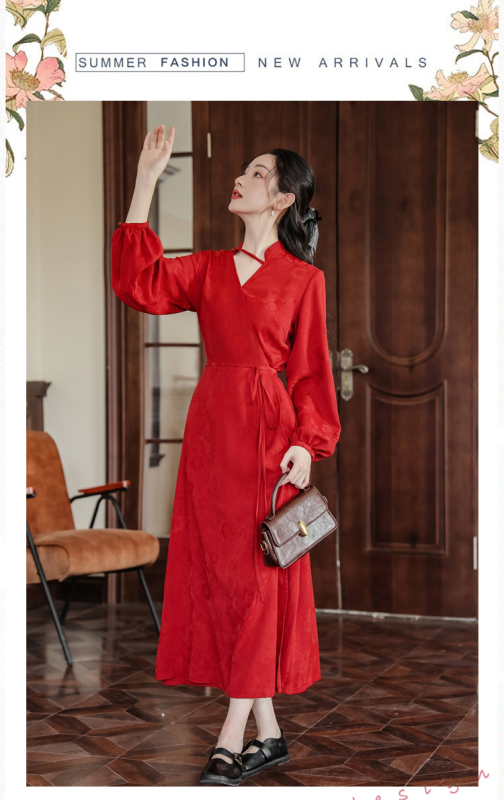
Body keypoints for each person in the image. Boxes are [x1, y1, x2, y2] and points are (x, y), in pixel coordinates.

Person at [111, 124, 341, 786]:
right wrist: (145, 181)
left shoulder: (304, 279)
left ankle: (229, 736)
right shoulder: (209, 268)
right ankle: (269, 735)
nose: (241, 178)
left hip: (270, 439)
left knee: (258, 576)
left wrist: (307, 443)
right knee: (225, 576)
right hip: (213, 433)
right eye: (244, 170)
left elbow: (311, 371)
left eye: (258, 173)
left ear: (284, 199)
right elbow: (138, 282)